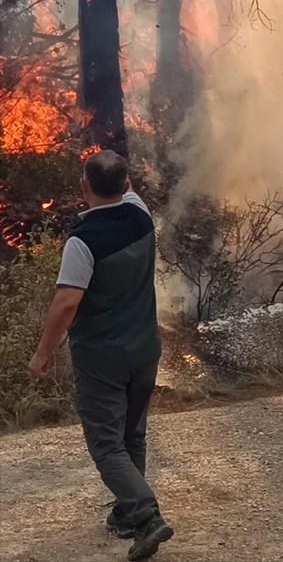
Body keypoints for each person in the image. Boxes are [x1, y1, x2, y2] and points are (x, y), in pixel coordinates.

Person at [27, 150, 174, 559]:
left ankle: (146, 517)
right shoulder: (141, 216)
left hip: (102, 360)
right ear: (127, 186)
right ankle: (127, 515)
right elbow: (126, 190)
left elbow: (66, 304)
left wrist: (42, 355)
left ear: (83, 188)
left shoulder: (82, 242)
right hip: (145, 350)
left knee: (108, 446)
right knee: (133, 435)